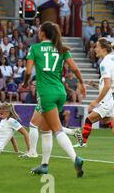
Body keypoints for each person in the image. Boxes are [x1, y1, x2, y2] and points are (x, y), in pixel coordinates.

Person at [22, 22, 86, 177]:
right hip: (60, 92)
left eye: (39, 31)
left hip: (46, 93)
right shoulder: (61, 48)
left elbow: (29, 70)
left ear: (43, 33)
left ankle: (75, 158)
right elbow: (75, 68)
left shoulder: (35, 48)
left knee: (56, 130)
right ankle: (44, 165)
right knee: (45, 130)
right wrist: (82, 83)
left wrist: (25, 83)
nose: (38, 33)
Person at [88, 38, 114, 170]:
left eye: (96, 46)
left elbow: (107, 85)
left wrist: (96, 102)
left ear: (103, 48)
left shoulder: (104, 63)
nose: (94, 49)